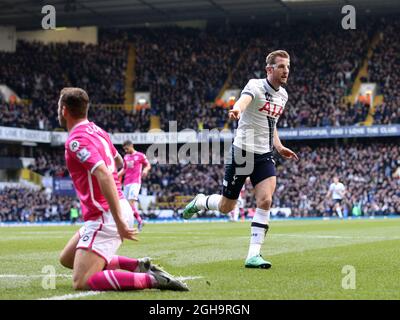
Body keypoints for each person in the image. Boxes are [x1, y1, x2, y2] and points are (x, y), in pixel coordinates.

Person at [57, 87, 188, 292]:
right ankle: (138, 266)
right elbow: (118, 161)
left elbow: (104, 173)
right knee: (67, 258)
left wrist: (117, 221)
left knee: (81, 281)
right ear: (86, 109)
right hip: (114, 207)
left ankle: (152, 280)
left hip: (106, 213)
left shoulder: (75, 140)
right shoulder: (99, 131)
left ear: (64, 110)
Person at [183, 50, 298, 269]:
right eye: (281, 66)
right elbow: (244, 101)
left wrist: (279, 146)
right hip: (242, 152)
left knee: (265, 200)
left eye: (288, 67)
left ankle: (253, 255)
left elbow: (271, 123)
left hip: (264, 155)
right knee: (227, 206)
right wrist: (236, 109)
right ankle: (200, 201)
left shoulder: (283, 95)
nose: (286, 71)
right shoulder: (255, 85)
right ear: (269, 69)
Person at [118, 141, 151, 231]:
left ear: (131, 146)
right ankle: (139, 221)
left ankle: (135, 221)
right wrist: (115, 176)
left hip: (135, 182)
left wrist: (145, 170)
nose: (125, 150)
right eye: (124, 149)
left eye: (127, 148)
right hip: (126, 183)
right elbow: (124, 169)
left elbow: (148, 165)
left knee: (130, 203)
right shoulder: (126, 157)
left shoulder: (140, 155)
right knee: (125, 205)